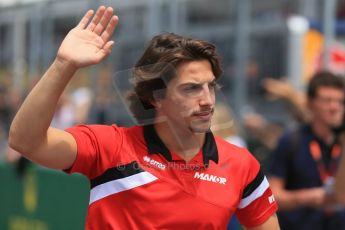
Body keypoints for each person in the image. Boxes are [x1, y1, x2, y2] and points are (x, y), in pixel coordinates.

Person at [9, 6, 279, 229]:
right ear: (155, 98)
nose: (207, 100)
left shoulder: (241, 164)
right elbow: (25, 140)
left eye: (211, 86)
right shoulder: (111, 147)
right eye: (191, 88)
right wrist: (63, 65)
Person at [269, 71, 345, 230]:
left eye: (339, 101)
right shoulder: (292, 141)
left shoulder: (342, 142)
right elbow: (272, 196)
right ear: (310, 103)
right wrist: (308, 198)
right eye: (327, 100)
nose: (334, 107)